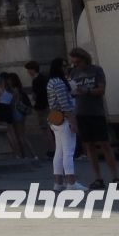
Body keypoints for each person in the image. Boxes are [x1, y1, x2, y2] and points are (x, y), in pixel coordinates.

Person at [68, 47, 119, 188]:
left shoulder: (96, 70)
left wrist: (87, 91)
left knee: (104, 144)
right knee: (89, 146)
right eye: (74, 63)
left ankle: (115, 177)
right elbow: (71, 92)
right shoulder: (73, 73)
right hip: (81, 112)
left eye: (77, 62)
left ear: (84, 59)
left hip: (96, 112)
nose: (75, 65)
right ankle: (98, 178)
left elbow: (101, 90)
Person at [45, 57, 85, 192]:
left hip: (55, 119)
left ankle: (58, 183)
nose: (66, 67)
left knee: (60, 151)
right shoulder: (59, 83)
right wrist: (73, 123)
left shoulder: (52, 82)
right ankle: (71, 182)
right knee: (68, 152)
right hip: (64, 119)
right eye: (63, 66)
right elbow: (65, 105)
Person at [0, 72, 36, 159]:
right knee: (20, 135)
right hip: (20, 113)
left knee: (19, 136)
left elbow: (12, 103)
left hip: (15, 112)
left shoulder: (12, 90)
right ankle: (28, 155)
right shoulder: (17, 89)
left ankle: (28, 155)